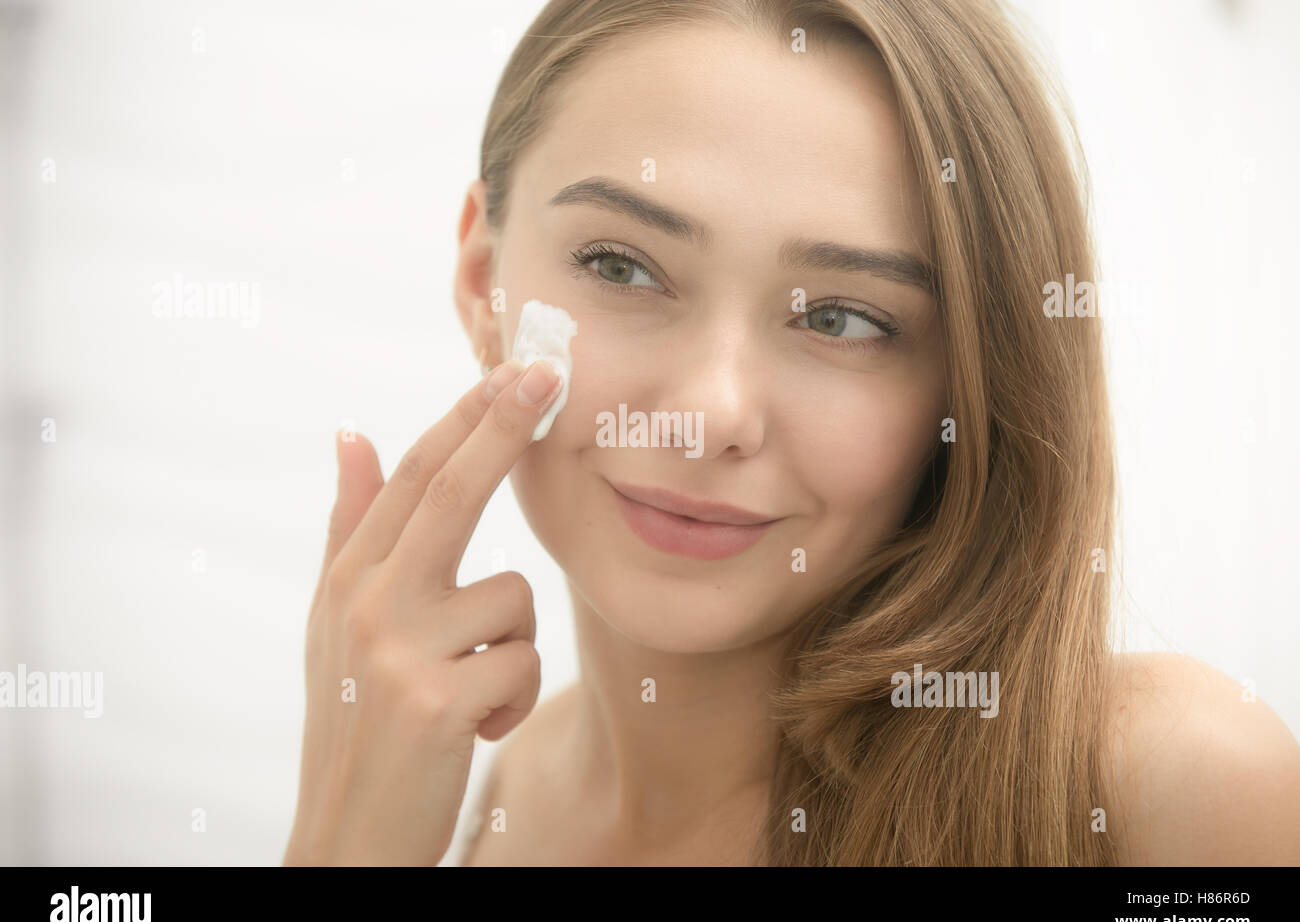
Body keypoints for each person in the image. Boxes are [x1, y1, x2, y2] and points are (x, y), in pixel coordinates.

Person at [283, 0, 1300, 866]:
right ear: (481, 282)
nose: (713, 412)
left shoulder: (1175, 793)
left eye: (841, 318)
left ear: (965, 383)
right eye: (622, 266)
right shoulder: (504, 781)